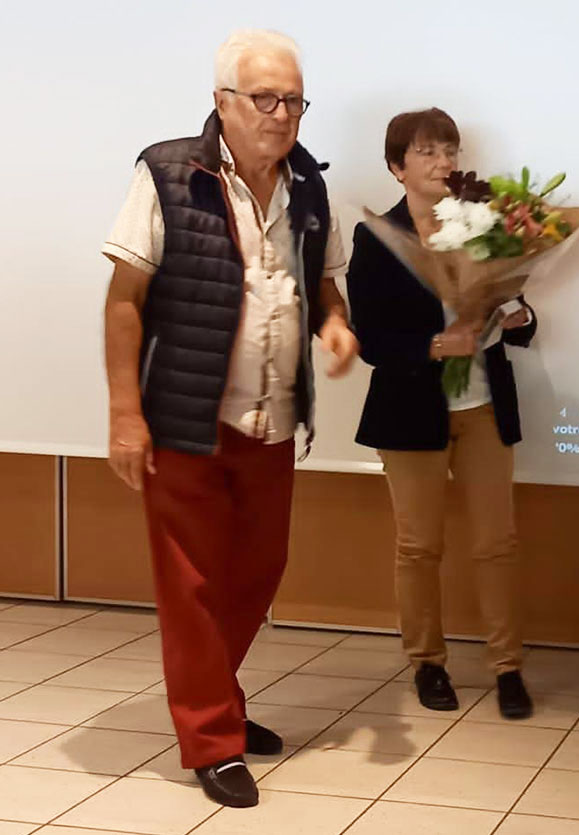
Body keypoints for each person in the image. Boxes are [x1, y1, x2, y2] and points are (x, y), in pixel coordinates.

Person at [101, 29, 358, 808]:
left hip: (271, 418)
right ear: (223, 102)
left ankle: (219, 701)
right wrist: (123, 413)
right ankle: (212, 738)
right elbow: (124, 302)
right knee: (191, 584)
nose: (282, 115)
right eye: (265, 98)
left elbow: (325, 289)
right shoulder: (171, 173)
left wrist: (335, 326)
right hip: (186, 418)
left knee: (257, 571)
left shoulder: (309, 188)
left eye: (295, 100)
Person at [347, 108, 537, 720]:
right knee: (418, 545)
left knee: (498, 543)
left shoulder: (485, 224)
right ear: (397, 166)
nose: (443, 162)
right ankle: (427, 662)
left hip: (483, 403)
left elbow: (509, 299)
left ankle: (508, 668)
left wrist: (520, 316)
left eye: (449, 150)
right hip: (410, 410)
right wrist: (434, 346)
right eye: (427, 152)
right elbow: (370, 338)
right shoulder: (377, 236)